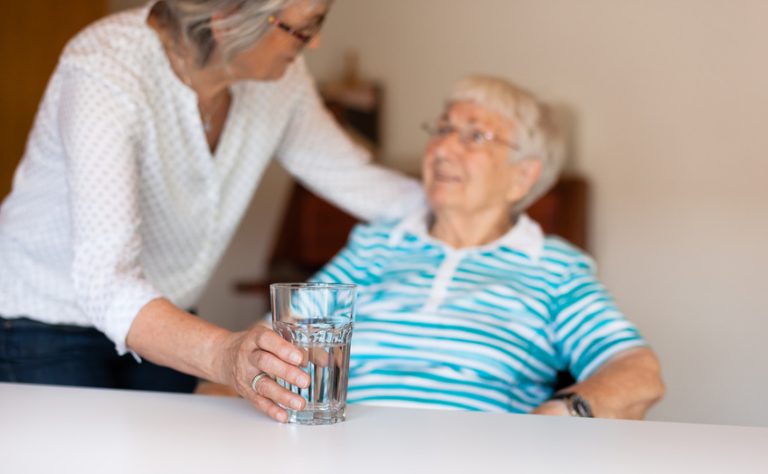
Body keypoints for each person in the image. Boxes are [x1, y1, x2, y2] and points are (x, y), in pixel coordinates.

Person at [0, 0, 423, 423]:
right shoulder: (107, 67)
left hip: (165, 321)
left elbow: (352, 176)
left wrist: (477, 203)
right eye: (303, 28)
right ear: (226, 22)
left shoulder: (281, 79)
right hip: (44, 322)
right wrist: (225, 354)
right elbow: (107, 281)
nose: (315, 43)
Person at [312, 76, 665, 418]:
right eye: (442, 129)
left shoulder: (554, 269)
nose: (443, 149)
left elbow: (637, 372)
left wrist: (558, 417)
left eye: (475, 136)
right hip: (343, 449)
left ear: (522, 176)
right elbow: (281, 334)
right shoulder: (376, 245)